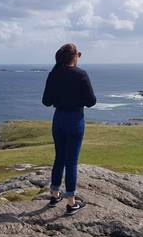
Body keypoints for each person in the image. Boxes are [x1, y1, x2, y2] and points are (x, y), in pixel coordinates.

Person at [42, 43, 96, 215]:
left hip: (58, 119)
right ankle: (71, 203)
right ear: (74, 56)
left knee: (59, 157)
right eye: (79, 54)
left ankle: (54, 194)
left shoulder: (53, 74)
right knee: (71, 161)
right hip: (75, 119)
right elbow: (91, 101)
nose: (79, 56)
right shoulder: (81, 75)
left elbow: (46, 101)